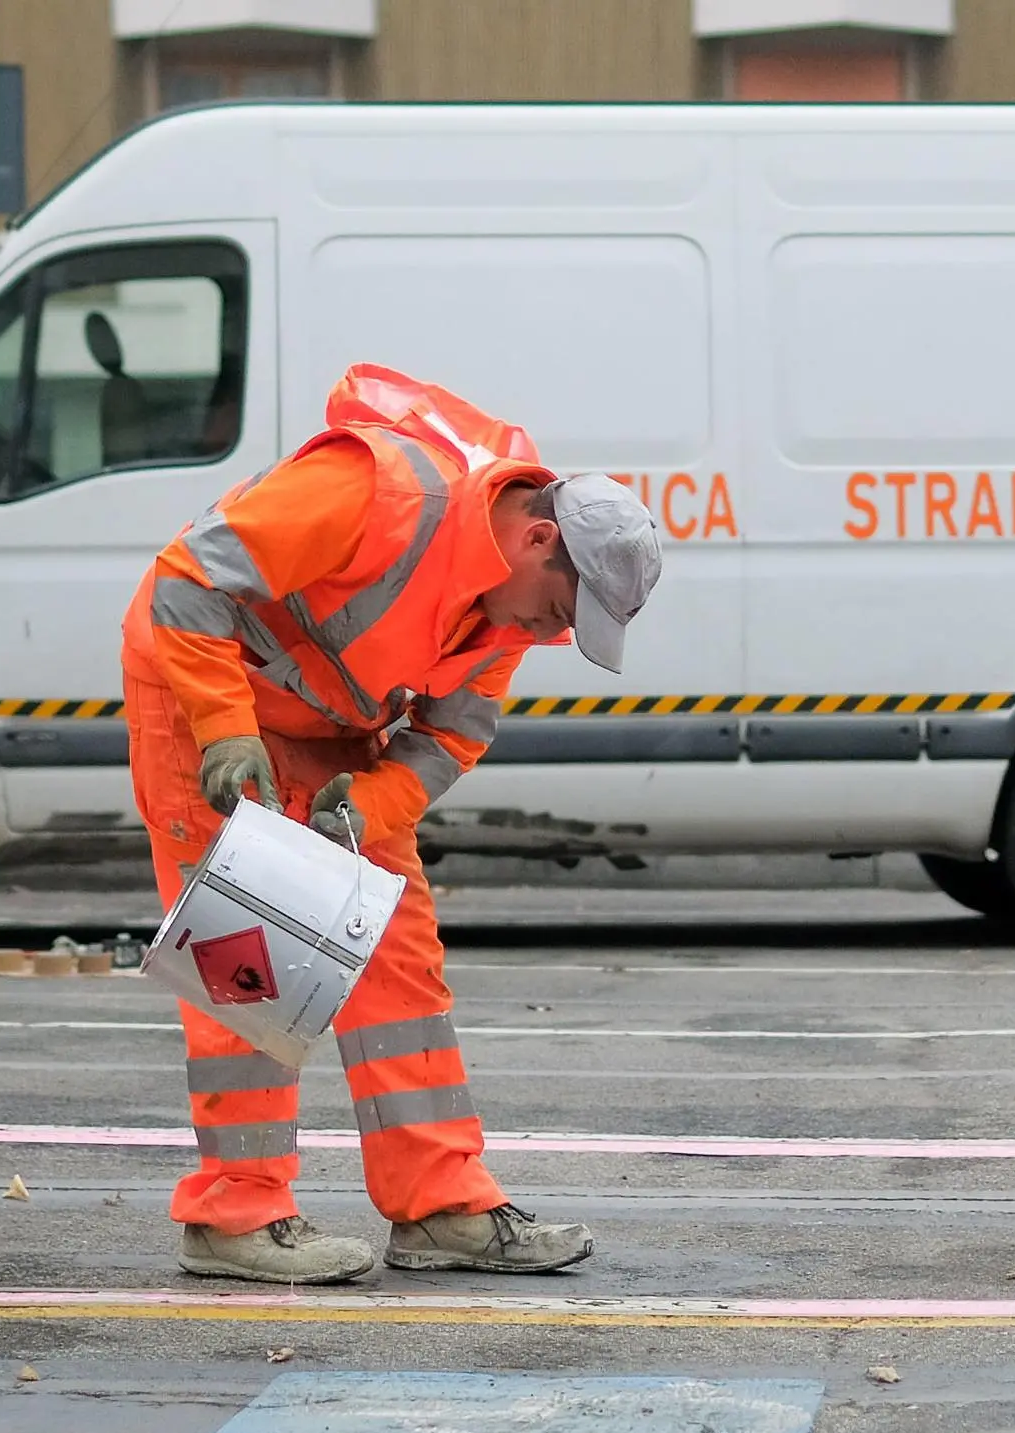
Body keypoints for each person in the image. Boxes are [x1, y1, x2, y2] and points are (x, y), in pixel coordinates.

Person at [121, 365, 663, 1284]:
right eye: (559, 611)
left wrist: (367, 807)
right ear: (537, 539)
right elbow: (187, 585)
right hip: (207, 700)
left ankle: (439, 1204)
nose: (549, 635)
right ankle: (233, 1214)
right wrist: (222, 731)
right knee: (250, 957)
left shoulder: (507, 614)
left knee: (396, 954)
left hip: (333, 730)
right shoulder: (379, 489)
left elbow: (454, 732)